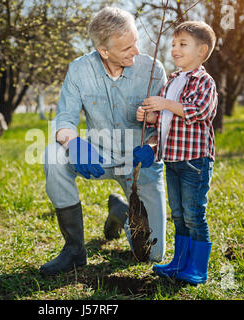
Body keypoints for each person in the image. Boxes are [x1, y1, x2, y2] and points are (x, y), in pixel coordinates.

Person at [41, 7, 168, 276]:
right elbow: (64, 120)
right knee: (53, 155)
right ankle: (74, 249)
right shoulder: (79, 70)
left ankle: (120, 212)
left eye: (136, 42)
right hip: (98, 155)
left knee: (151, 254)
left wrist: (154, 146)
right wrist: (74, 144)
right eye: (126, 48)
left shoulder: (153, 70)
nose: (136, 51)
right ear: (104, 51)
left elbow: (168, 124)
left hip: (140, 162)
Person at [135, 21, 217, 284]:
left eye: (183, 44)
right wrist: (149, 116)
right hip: (172, 159)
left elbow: (200, 111)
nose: (175, 49)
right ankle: (179, 262)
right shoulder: (172, 80)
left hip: (195, 161)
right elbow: (165, 121)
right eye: (173, 44)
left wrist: (165, 103)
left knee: (194, 214)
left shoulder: (204, 81)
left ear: (202, 51)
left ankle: (197, 268)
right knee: (179, 213)